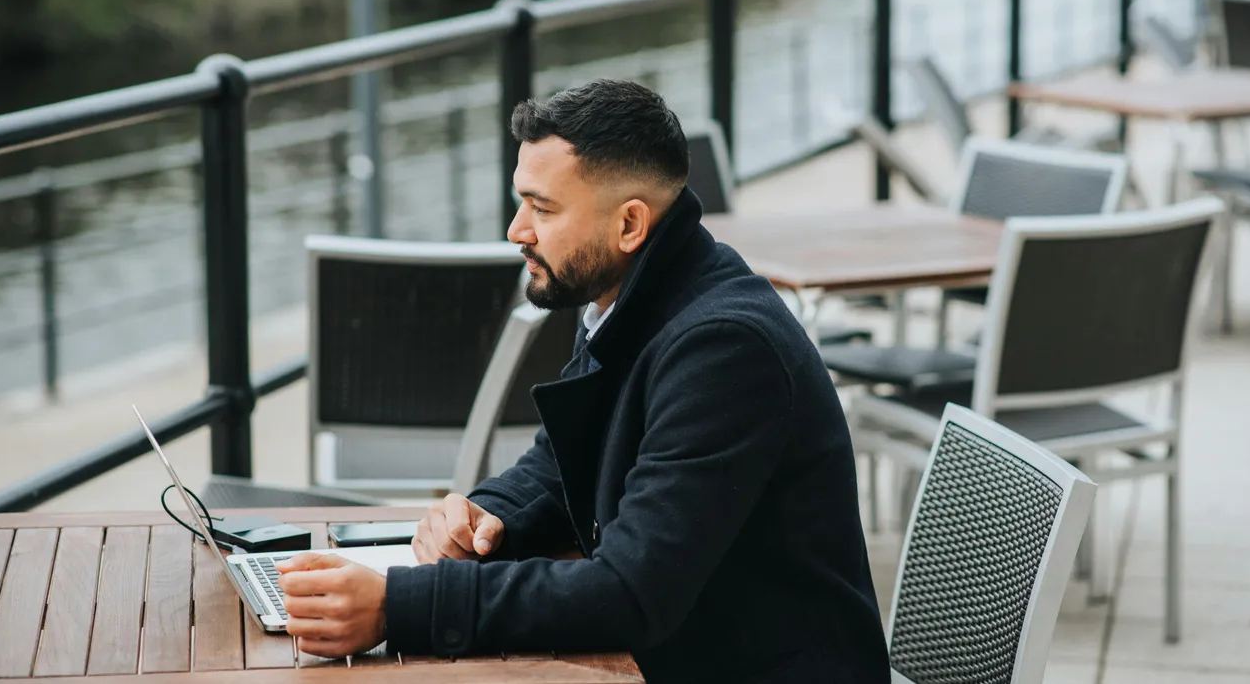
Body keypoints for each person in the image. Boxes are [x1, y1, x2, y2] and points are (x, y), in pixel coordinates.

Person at [277, 79, 890, 682]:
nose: (518, 231)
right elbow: (559, 462)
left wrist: (397, 606)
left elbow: (630, 592)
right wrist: (486, 518)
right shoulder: (620, 296)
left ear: (629, 225)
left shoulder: (724, 350)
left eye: (542, 208)